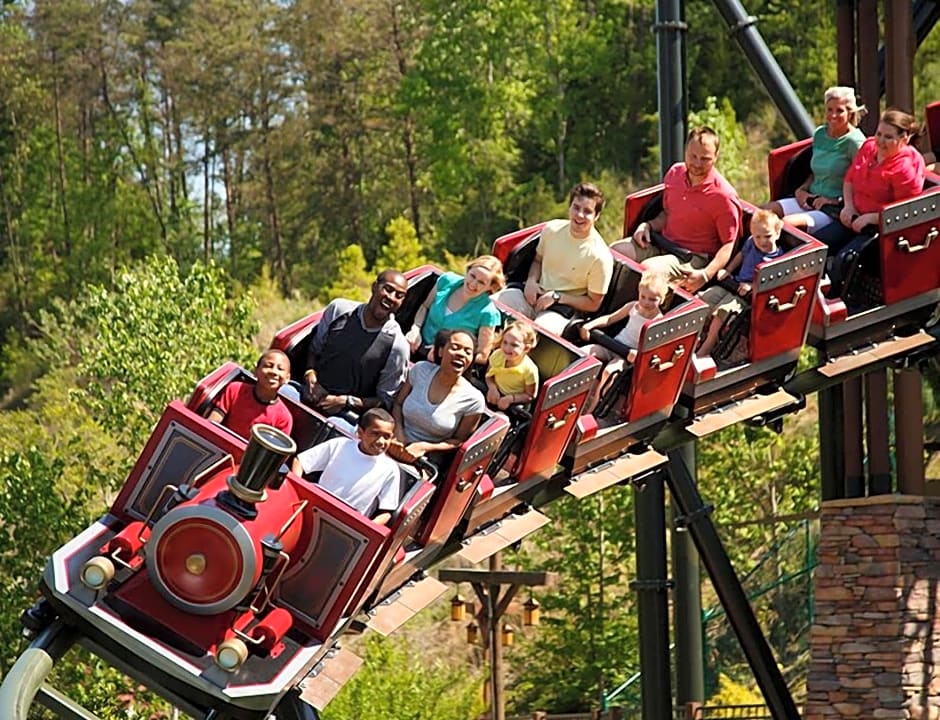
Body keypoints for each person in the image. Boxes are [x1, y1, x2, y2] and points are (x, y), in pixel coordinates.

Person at [610, 127, 741, 294]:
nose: (697, 164)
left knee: (649, 271)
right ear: (686, 150)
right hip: (663, 243)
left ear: (716, 157)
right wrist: (647, 226)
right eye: (693, 156)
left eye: (705, 159)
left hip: (692, 258)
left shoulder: (723, 196)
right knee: (615, 252)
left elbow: (729, 244)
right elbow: (668, 213)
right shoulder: (675, 174)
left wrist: (706, 275)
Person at [495, 182, 614, 335]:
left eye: (587, 211)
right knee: (491, 306)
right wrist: (531, 281)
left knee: (531, 335)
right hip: (533, 295)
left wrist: (557, 297)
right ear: (569, 207)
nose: (579, 215)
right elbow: (538, 260)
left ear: (596, 216)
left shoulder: (600, 256)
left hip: (561, 310)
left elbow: (593, 303)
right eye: (576, 208)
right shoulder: (552, 229)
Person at [814, 108, 926, 253]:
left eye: (888, 137)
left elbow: (902, 213)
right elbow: (850, 179)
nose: (880, 141)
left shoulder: (905, 169)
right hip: (853, 216)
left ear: (904, 139)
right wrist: (849, 206)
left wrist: (871, 218)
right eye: (879, 134)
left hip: (879, 229)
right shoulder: (869, 147)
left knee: (844, 261)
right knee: (819, 244)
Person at [302, 270, 410, 416]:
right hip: (310, 394)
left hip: (347, 418)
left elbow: (384, 401)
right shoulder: (338, 310)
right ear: (374, 287)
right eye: (388, 289)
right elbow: (314, 349)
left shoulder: (398, 346)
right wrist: (310, 375)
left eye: (399, 296)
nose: (391, 298)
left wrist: (345, 402)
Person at [764, 86, 866, 232]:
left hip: (833, 208)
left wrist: (834, 201)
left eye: (839, 110)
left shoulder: (855, 142)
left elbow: (861, 183)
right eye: (829, 110)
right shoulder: (820, 134)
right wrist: (802, 190)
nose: (833, 115)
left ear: (850, 113)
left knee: (785, 225)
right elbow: (815, 172)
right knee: (764, 214)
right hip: (810, 198)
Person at [577, 270, 669, 414]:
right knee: (584, 353)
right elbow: (610, 319)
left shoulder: (657, 321)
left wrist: (638, 354)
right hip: (614, 345)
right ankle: (579, 392)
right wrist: (590, 325)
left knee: (609, 372)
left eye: (652, 299)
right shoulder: (633, 307)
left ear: (662, 300)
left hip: (626, 355)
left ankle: (592, 409)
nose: (646, 302)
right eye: (643, 297)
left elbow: (655, 349)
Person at [696, 210, 786, 358]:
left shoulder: (777, 260)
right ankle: (697, 337)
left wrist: (752, 286)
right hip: (733, 284)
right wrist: (728, 270)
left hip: (745, 296)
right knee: (705, 298)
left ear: (777, 233)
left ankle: (707, 346)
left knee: (723, 312)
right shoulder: (752, 242)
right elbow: (741, 255)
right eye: (758, 237)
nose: (762, 241)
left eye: (767, 236)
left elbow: (771, 284)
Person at [291, 408, 400, 526]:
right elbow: (300, 462)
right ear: (360, 432)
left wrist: (366, 527)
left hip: (346, 527)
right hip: (313, 508)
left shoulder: (390, 469)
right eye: (375, 434)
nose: (380, 441)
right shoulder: (340, 445)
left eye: (387, 436)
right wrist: (299, 493)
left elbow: (386, 512)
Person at [392, 329, 485, 464]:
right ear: (441, 351)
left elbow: (458, 441)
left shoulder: (474, 400)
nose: (461, 354)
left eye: (467, 352)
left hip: (426, 459)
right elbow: (398, 404)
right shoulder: (420, 370)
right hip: (394, 440)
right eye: (455, 348)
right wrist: (398, 432)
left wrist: (425, 447)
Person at [405, 255, 505, 365]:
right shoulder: (446, 281)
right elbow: (425, 306)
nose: (473, 284)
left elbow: (482, 355)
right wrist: (416, 328)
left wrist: (448, 354)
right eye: (472, 276)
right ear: (467, 271)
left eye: (481, 282)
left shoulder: (488, 313)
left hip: (445, 364)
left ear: (491, 287)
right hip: (416, 346)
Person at [208, 349, 294, 438]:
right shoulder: (235, 390)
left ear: (287, 378)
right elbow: (213, 422)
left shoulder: (284, 418)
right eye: (268, 366)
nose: (274, 372)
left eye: (280, 369)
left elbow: (273, 450)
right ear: (256, 371)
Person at [485, 321, 540, 412]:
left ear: (526, 348)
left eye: (514, 345)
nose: (507, 348)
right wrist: (492, 388)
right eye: (505, 342)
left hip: (516, 403)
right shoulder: (497, 355)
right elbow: (489, 375)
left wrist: (510, 399)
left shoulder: (530, 370)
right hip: (496, 393)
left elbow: (530, 396)